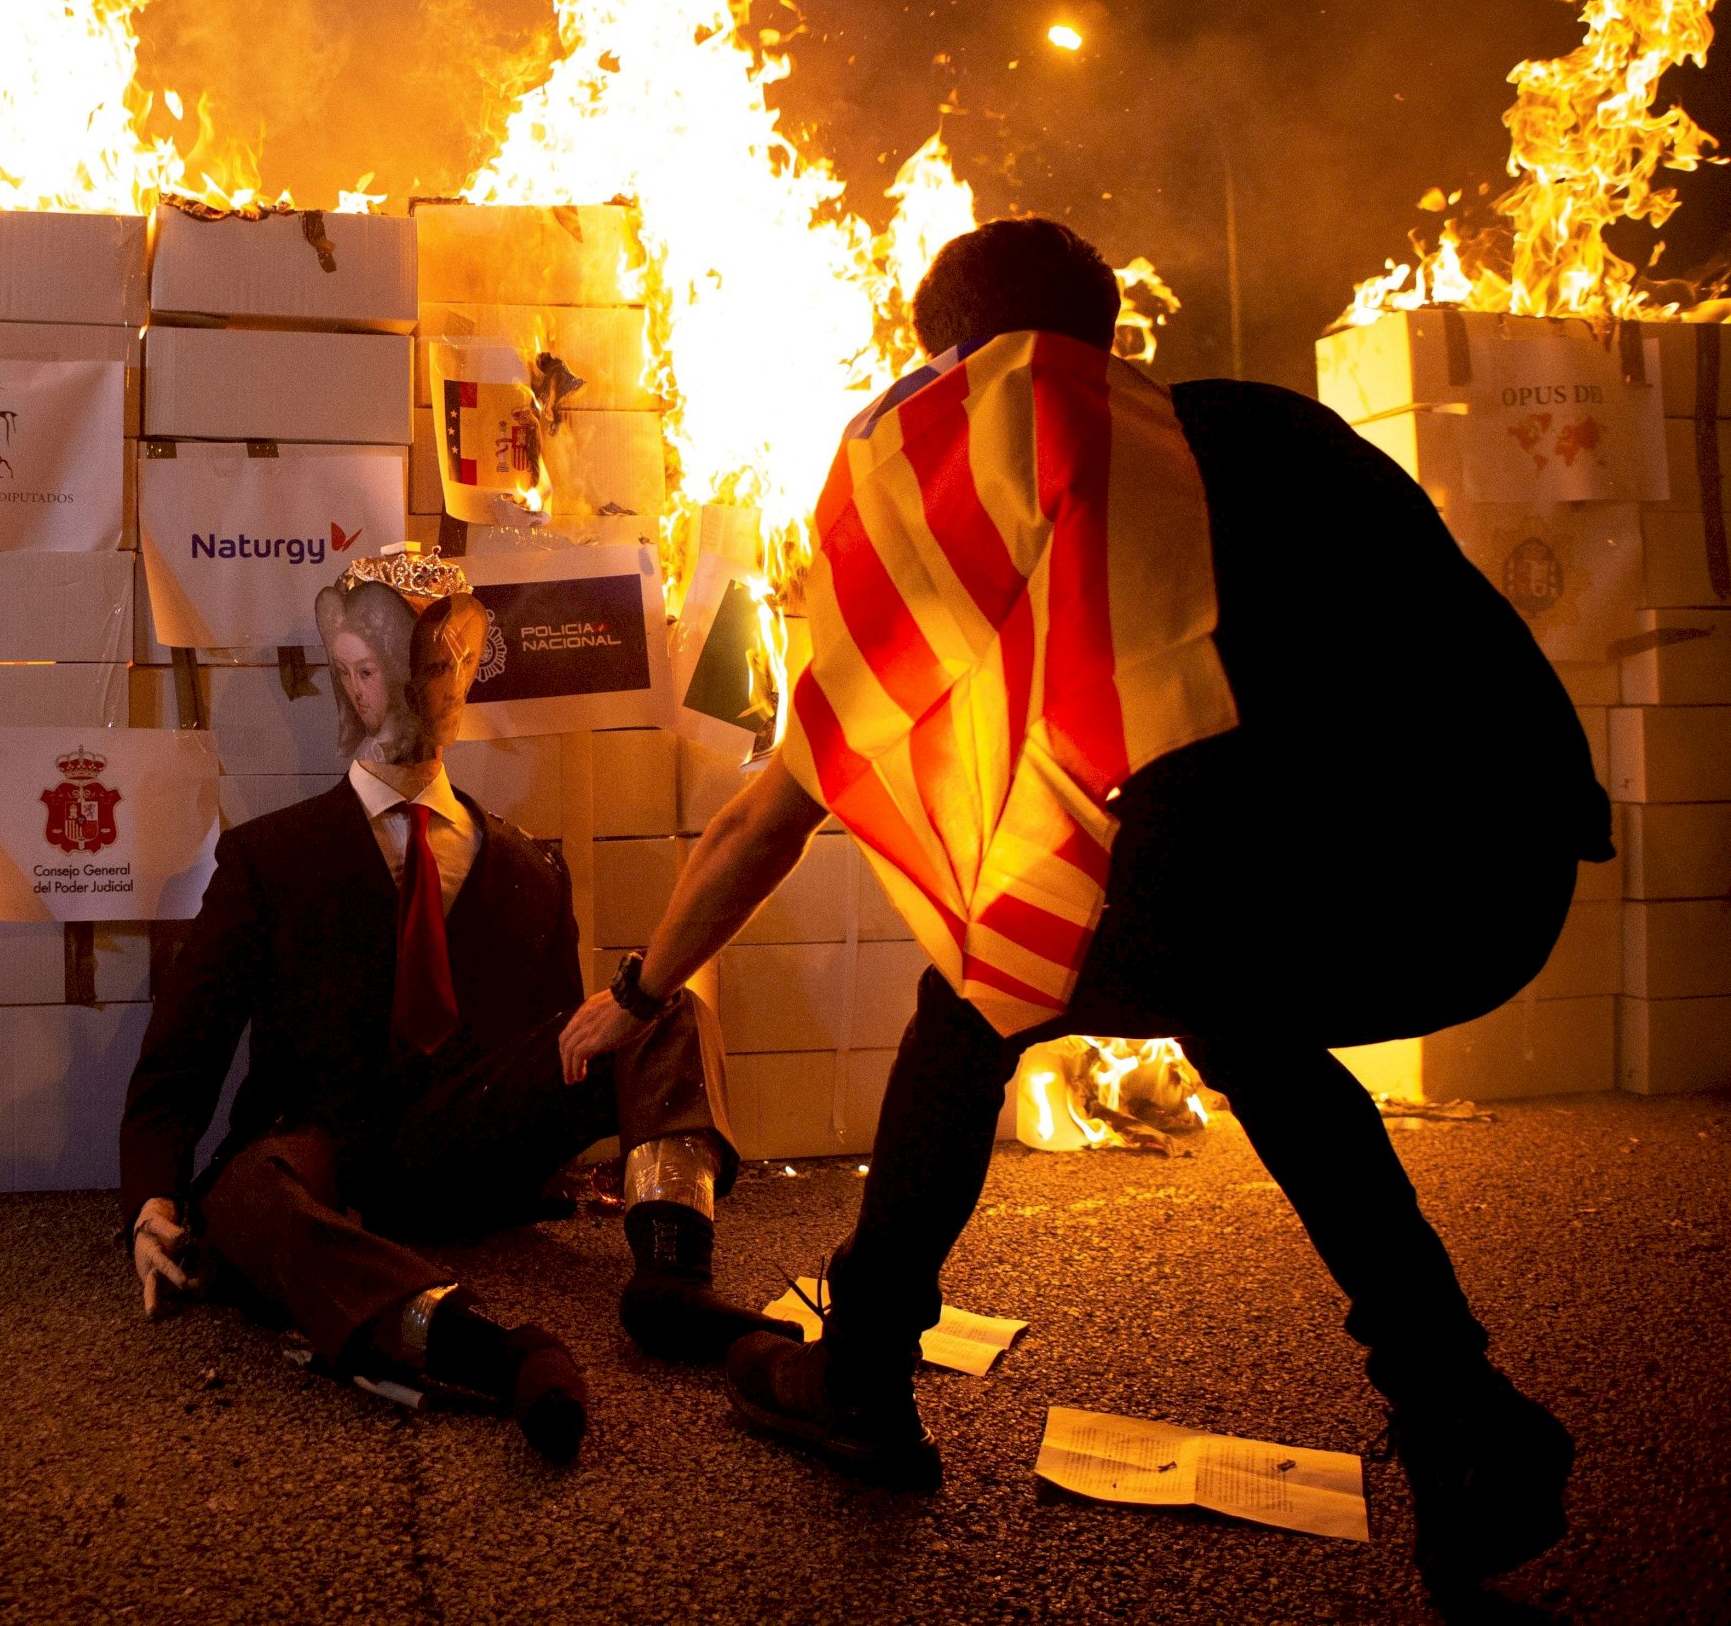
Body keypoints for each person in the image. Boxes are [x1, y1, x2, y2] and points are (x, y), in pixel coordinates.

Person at [561, 218, 1605, 1588]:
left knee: (985, 975)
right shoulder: (1264, 427)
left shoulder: (1035, 489)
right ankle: (1458, 1409)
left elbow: (775, 807)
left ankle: (863, 1372)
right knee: (1240, 1004)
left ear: (969, 370)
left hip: (1334, 875)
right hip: (1502, 873)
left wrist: (633, 995)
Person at [118, 547, 793, 1463]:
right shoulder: (268, 860)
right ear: (343, 680)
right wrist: (152, 1199)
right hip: (323, 1148)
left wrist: (583, 1150)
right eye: (367, 670)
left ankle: (673, 1273)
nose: (398, 693)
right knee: (240, 1198)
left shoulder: (527, 867)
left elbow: (558, 1040)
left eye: (432, 667)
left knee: (656, 1005)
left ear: (467, 674)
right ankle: (486, 1349)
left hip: (470, 1139)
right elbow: (185, 1048)